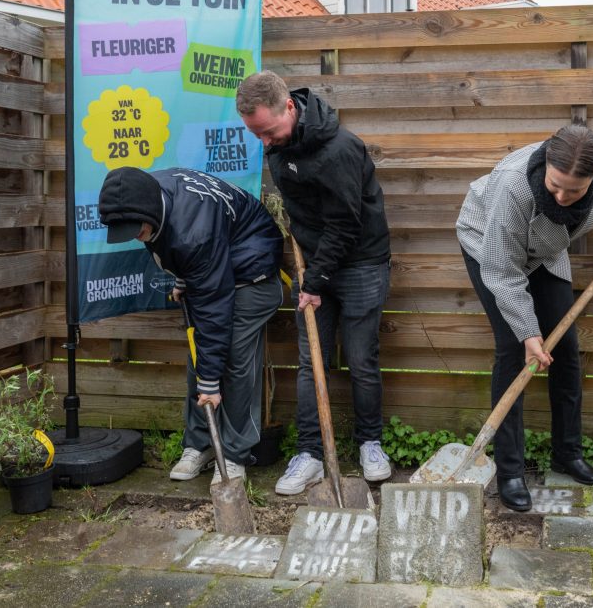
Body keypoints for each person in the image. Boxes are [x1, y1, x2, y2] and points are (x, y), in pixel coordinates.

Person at [456, 124, 593, 510]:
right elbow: (503, 272)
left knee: (565, 348)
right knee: (513, 350)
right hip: (490, 244)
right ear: (546, 165)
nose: (562, 196)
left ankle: (567, 453)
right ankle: (510, 470)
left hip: (546, 247)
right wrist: (527, 332)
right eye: (555, 186)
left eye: (575, 190)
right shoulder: (513, 187)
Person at [236, 71, 393, 495]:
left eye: (268, 132)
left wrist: (314, 282)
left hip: (360, 262)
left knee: (361, 360)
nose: (265, 143)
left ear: (290, 107)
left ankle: (370, 444)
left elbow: (345, 224)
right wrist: (310, 273)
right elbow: (300, 211)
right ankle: (309, 454)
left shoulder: (341, 149)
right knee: (311, 362)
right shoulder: (277, 145)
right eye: (257, 135)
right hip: (314, 269)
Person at [98, 166, 283, 486]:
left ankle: (235, 454)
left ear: (151, 210)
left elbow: (214, 301)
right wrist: (187, 275)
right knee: (201, 356)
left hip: (255, 271)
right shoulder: (143, 193)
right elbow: (175, 246)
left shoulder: (193, 230)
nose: (136, 235)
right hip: (218, 264)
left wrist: (210, 381)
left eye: (137, 229)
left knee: (233, 358)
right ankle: (200, 445)